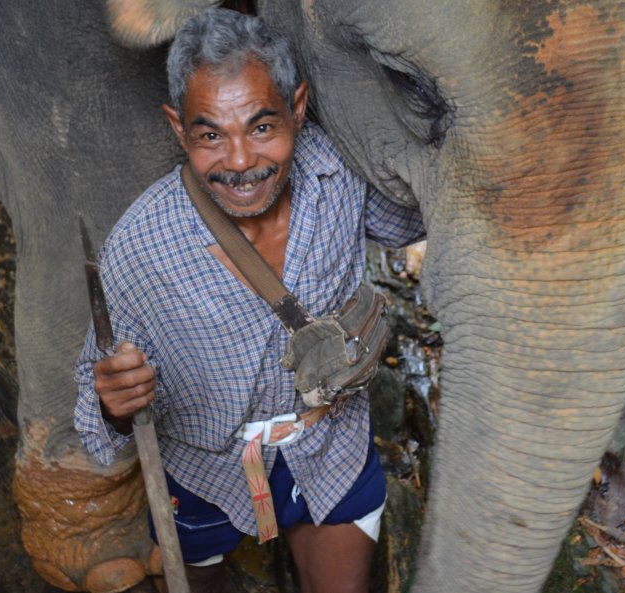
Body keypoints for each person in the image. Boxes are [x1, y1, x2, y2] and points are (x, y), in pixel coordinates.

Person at [74, 8, 424, 593]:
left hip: (329, 447)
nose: (240, 162)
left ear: (300, 107)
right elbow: (95, 403)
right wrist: (114, 400)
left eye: (263, 128)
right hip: (206, 470)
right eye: (211, 134)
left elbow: (420, 211)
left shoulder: (341, 177)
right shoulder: (138, 249)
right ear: (177, 128)